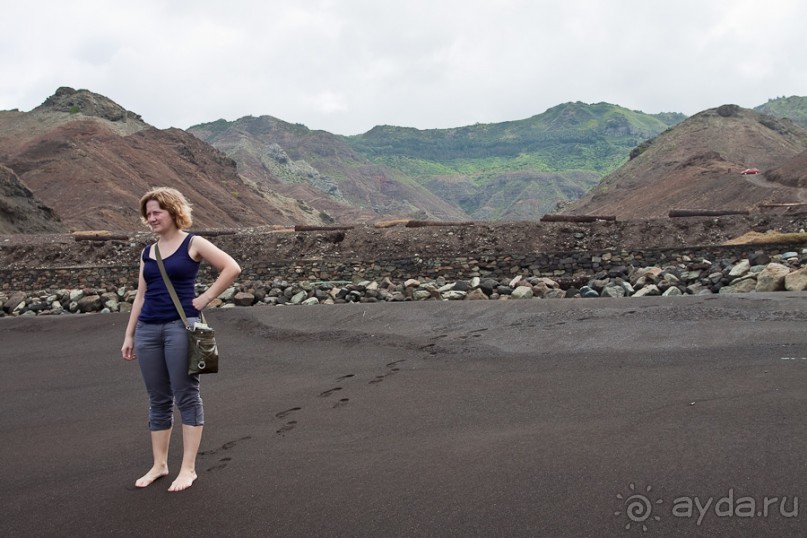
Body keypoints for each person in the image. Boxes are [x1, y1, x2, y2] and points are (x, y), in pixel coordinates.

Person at [121, 187, 241, 492]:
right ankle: (159, 465)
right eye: (147, 214)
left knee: (186, 395)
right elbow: (141, 295)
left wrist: (205, 298)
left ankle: (188, 468)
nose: (151, 218)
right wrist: (130, 333)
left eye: (156, 212)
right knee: (157, 398)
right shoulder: (148, 253)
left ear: (173, 211)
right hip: (148, 329)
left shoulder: (193, 242)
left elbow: (231, 268)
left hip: (180, 327)